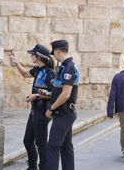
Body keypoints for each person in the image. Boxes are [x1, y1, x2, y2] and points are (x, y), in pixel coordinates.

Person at [9, 44, 55, 170]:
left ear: (38, 57)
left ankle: (43, 167)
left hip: (43, 111)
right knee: (28, 141)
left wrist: (36, 96)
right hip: (34, 111)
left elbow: (54, 95)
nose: (31, 56)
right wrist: (16, 63)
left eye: (32, 54)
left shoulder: (50, 74)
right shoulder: (37, 69)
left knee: (41, 143)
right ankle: (32, 167)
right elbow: (25, 74)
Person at [45, 40, 80, 170]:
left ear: (58, 51)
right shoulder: (64, 67)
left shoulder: (69, 68)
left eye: (54, 53)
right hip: (65, 113)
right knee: (66, 147)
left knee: (52, 147)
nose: (54, 56)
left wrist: (51, 108)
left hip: (64, 114)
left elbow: (66, 94)